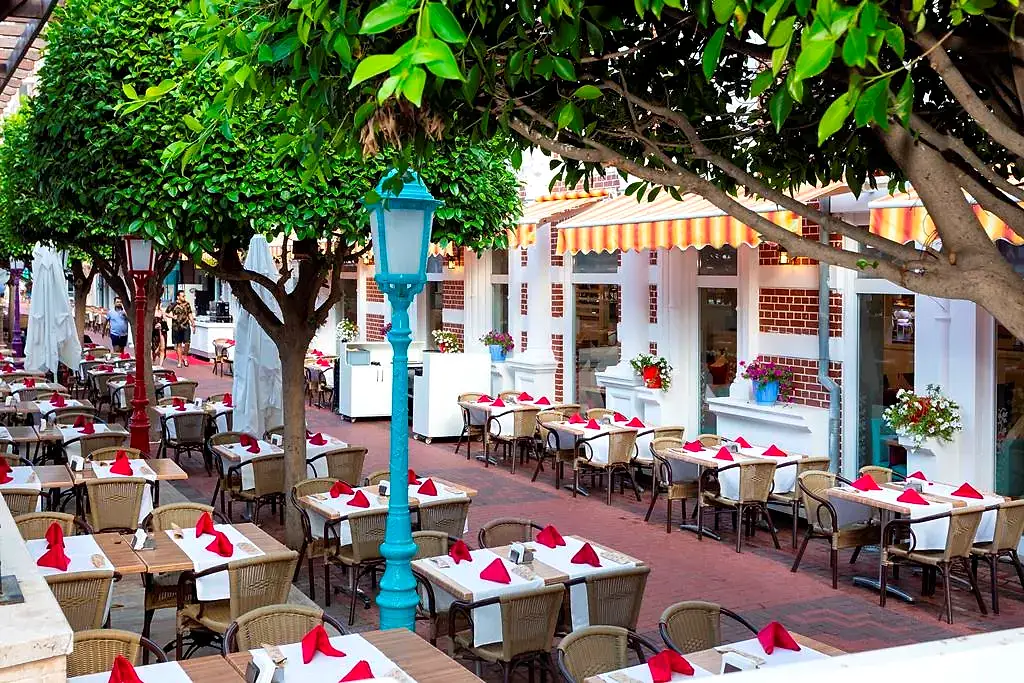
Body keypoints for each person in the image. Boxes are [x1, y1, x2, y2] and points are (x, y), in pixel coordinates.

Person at [167, 290, 196, 367]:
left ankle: (185, 356)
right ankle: (179, 361)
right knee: (179, 344)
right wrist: (172, 316)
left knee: (187, 342)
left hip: (186, 325)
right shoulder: (173, 304)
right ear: (178, 297)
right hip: (177, 326)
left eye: (184, 296)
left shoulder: (187, 304)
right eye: (182, 296)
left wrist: (193, 323)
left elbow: (190, 314)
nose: (184, 297)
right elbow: (166, 313)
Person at [152, 301, 168, 366]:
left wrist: (162, 323)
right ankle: (153, 361)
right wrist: (154, 326)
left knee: (162, 348)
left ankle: (160, 365)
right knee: (155, 350)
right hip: (154, 333)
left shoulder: (162, 312)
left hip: (162, 332)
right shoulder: (151, 312)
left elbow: (165, 323)